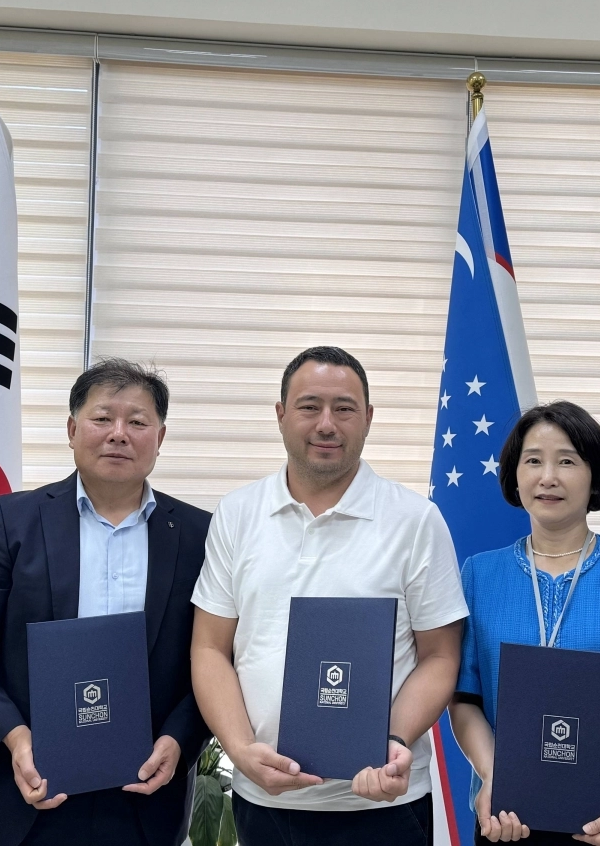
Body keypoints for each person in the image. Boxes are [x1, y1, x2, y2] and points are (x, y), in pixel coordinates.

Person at [190, 345, 468, 846]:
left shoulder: (415, 520)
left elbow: (440, 656)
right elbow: (210, 647)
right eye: (309, 406)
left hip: (383, 803)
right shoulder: (237, 514)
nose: (326, 424)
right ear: (280, 416)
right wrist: (240, 748)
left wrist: (395, 739)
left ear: (368, 419)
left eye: (344, 408)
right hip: (266, 800)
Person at [0, 358, 212, 846]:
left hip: (147, 797)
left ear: (160, 437)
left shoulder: (198, 533)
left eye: (138, 422)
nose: (119, 433)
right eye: (103, 418)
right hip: (31, 791)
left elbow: (214, 658)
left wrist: (178, 741)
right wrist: (16, 740)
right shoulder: (11, 521)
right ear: (71, 428)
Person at [451, 401, 600, 846]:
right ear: (513, 475)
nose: (548, 477)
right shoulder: (480, 574)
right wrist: (494, 775)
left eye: (567, 461)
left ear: (595, 476)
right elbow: (464, 698)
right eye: (533, 461)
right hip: (507, 815)